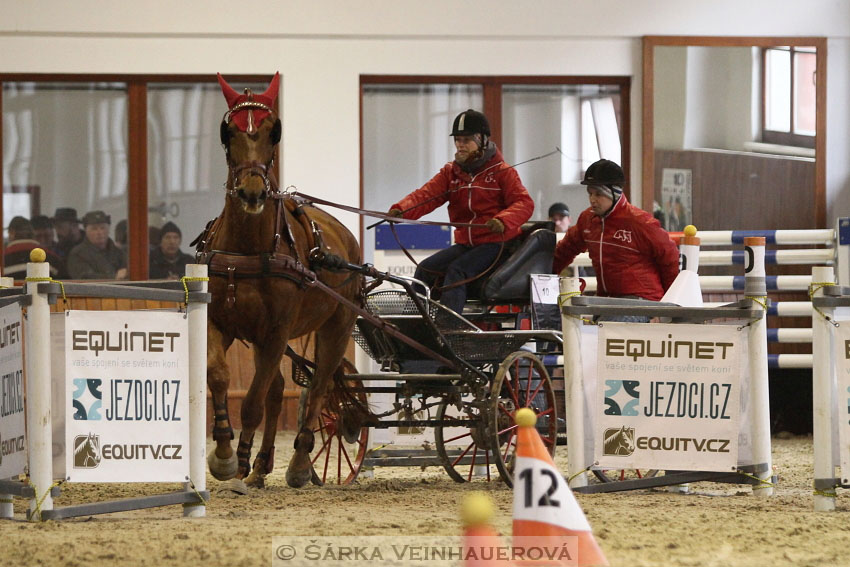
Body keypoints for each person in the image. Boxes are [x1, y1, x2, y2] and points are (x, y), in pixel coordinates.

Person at [387, 109, 534, 315]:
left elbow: (524, 203)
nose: (460, 145)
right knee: (425, 268)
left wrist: (502, 220)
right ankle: (413, 322)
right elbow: (426, 195)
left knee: (458, 270)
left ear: (482, 140)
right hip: (466, 245)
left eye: (466, 140)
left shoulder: (504, 171)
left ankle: (449, 328)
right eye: (457, 140)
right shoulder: (451, 172)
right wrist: (402, 210)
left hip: (496, 245)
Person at [553, 159, 679, 306]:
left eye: (598, 194)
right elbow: (564, 251)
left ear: (614, 193)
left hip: (642, 301)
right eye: (590, 193)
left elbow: (670, 258)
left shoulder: (640, 222)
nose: (592, 200)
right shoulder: (587, 220)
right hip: (608, 301)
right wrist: (542, 275)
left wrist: (670, 304)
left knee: (599, 326)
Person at [67, 210, 128, 280]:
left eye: (103, 228)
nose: (99, 232)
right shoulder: (77, 254)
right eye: (94, 229)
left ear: (108, 229)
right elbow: (83, 277)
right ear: (86, 230)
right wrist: (114, 277)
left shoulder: (118, 253)